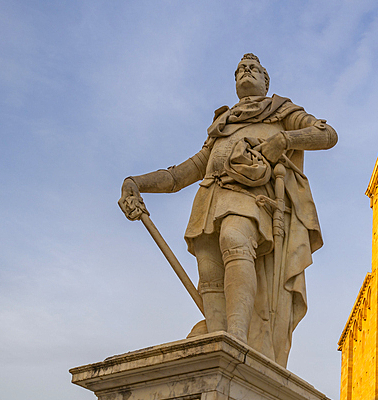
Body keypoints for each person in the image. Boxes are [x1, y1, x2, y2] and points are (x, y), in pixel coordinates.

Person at [119, 53, 337, 366]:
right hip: (210, 201)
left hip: (252, 197)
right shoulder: (222, 124)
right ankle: (217, 340)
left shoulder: (282, 110)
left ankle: (236, 337)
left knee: (235, 239)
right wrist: (136, 182)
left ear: (265, 80)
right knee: (209, 273)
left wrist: (285, 140)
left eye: (253, 69)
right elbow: (182, 173)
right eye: (239, 70)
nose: (245, 72)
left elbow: (326, 134)